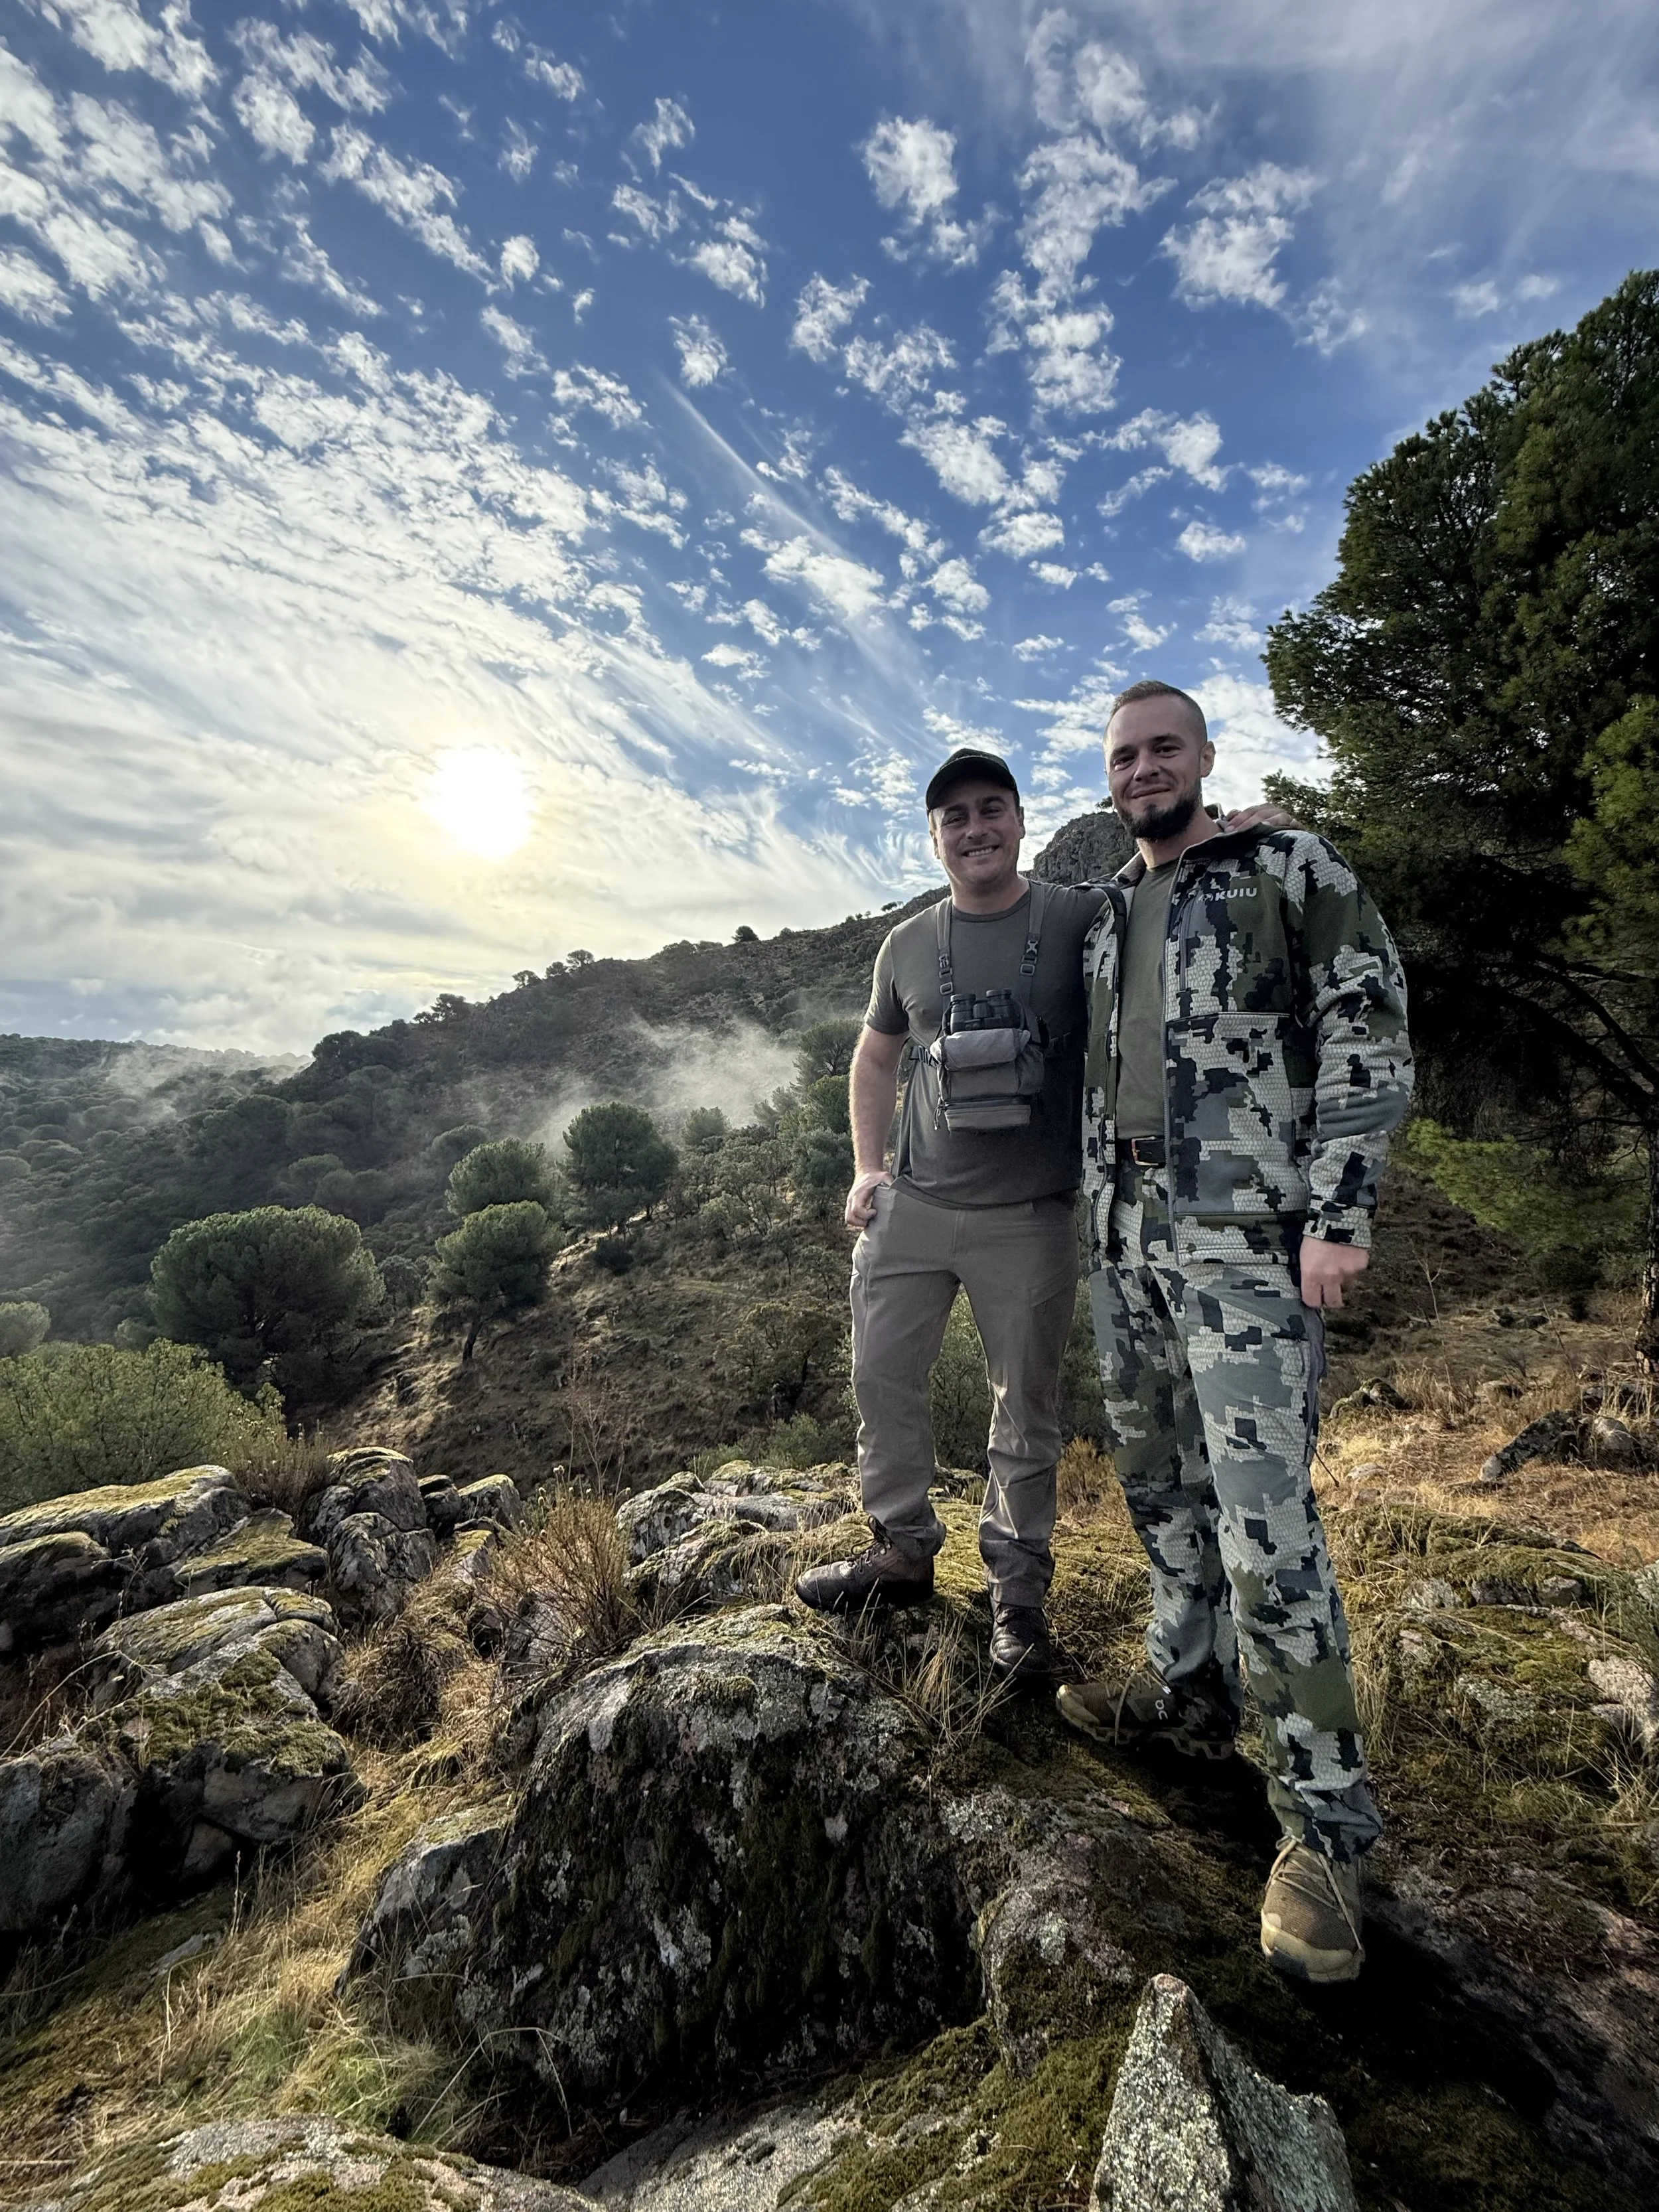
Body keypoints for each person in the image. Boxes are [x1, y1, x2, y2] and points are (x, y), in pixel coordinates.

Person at [1055, 679, 1413, 1986]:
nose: (1141, 769)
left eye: (1163, 748)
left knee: (1266, 1523)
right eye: (1121, 756)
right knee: (1159, 1491)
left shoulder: (1288, 868)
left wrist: (1340, 1209)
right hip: (1123, 1238)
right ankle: (1189, 1695)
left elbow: (1365, 1024)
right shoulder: (1100, 918)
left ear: (1203, 758)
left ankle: (1322, 1834)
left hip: (1248, 1239)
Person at [793, 747, 1290, 1684]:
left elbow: (1158, 887)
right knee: (881, 1381)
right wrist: (867, 1168)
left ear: (1019, 821)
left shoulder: (1074, 914)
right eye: (955, 819)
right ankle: (899, 1550)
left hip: (1028, 1218)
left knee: (1024, 1413)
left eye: (991, 810)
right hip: (914, 1209)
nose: (975, 830)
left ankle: (1017, 1601)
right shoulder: (905, 944)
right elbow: (873, 1057)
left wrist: (1224, 835)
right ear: (934, 837)